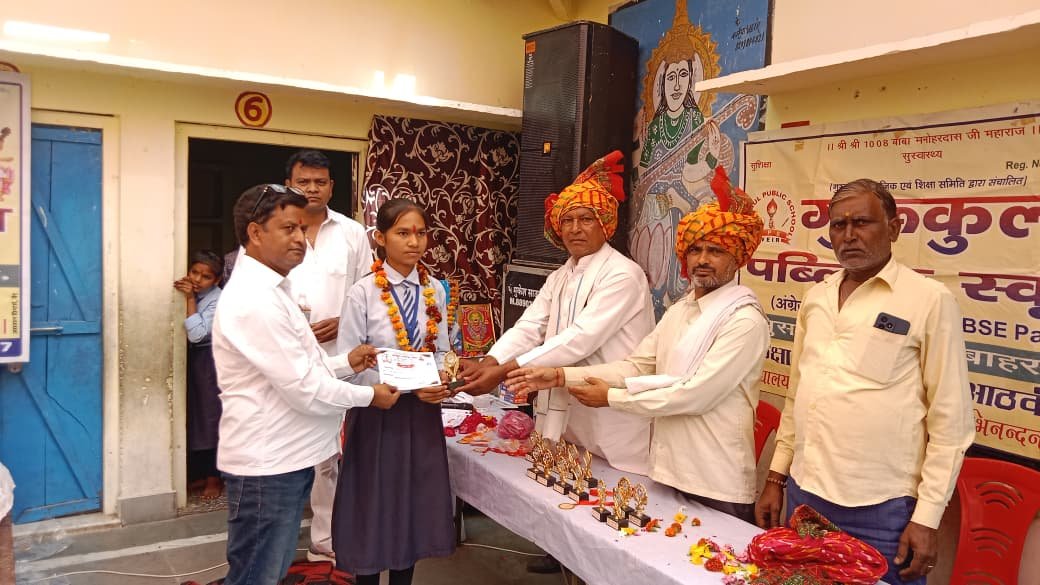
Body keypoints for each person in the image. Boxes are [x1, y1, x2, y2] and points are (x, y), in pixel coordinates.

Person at [508, 166, 768, 524]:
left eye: (716, 251)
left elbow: (695, 394)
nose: (702, 260)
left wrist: (612, 398)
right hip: (666, 468)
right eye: (695, 250)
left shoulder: (744, 321)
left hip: (714, 479)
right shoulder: (681, 310)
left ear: (737, 257)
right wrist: (559, 376)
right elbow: (637, 365)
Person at [754, 179, 975, 585]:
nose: (848, 235)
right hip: (805, 494)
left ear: (893, 228)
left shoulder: (928, 300)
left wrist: (927, 518)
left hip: (882, 511)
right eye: (838, 225)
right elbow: (797, 396)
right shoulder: (816, 298)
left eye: (862, 222)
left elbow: (952, 423)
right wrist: (776, 477)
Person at [458, 151, 654, 573]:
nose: (575, 228)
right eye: (567, 220)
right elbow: (532, 324)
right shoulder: (561, 275)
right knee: (568, 483)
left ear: (605, 224)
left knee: (613, 503)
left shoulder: (623, 274)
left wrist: (502, 372)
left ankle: (604, 572)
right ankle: (563, 554)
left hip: (609, 409)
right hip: (566, 402)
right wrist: (489, 358)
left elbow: (579, 338)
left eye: (586, 219)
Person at [213, 184, 399, 585]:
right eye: (288, 229)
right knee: (257, 575)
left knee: (271, 571)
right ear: (255, 233)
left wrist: (346, 363)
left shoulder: (275, 290)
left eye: (301, 228)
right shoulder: (255, 300)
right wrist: (369, 395)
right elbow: (305, 389)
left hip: (287, 460)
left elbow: (302, 371)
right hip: (267, 465)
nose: (300, 238)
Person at [334, 198, 455, 585]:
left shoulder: (434, 290)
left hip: (421, 415)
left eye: (420, 233)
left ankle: (404, 578)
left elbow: (441, 351)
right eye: (402, 233)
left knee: (413, 503)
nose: (414, 242)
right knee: (374, 503)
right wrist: (379, 390)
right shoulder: (363, 293)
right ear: (381, 238)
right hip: (378, 413)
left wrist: (440, 380)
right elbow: (348, 363)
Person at [284, 149, 373, 563]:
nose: (312, 189)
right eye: (303, 182)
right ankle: (282, 539)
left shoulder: (352, 233)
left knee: (332, 452)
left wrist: (343, 319)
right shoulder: (280, 231)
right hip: (288, 359)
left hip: (341, 359)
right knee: (288, 447)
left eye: (320, 182)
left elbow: (367, 291)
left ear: (332, 187)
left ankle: (327, 541)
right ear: (289, 184)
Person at [173, 250, 225, 500]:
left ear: (216, 280)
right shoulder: (187, 291)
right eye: (194, 272)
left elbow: (197, 334)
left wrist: (190, 300)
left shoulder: (217, 300)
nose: (197, 279)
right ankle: (200, 474)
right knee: (192, 416)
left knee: (209, 418)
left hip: (209, 361)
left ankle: (214, 477)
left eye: (205, 277)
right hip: (192, 359)